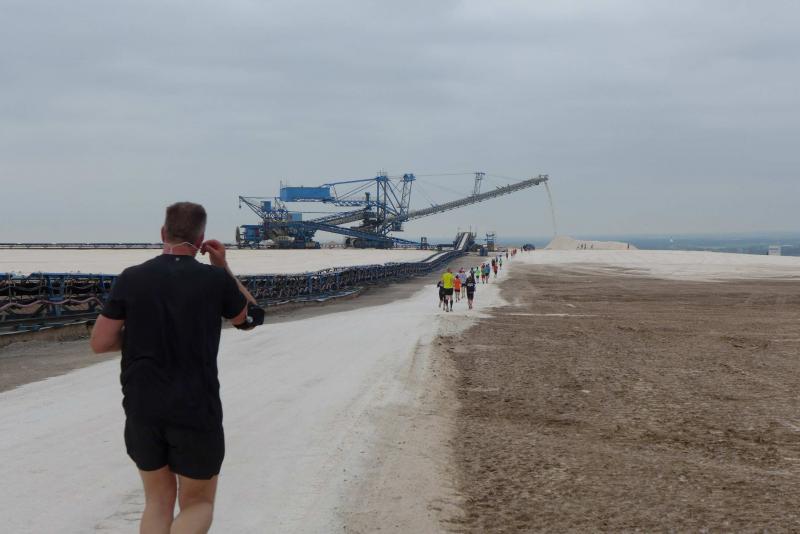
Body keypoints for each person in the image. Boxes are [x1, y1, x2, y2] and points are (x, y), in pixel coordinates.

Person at [90, 202, 262, 534]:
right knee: (198, 503)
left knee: (157, 501)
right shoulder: (214, 280)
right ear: (200, 240)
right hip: (195, 408)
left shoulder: (132, 278)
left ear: (162, 233)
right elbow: (251, 317)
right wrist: (223, 267)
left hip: (143, 407)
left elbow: (100, 342)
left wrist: (145, 338)